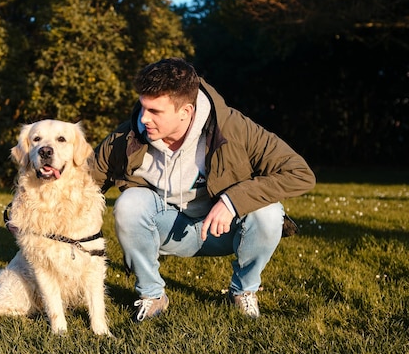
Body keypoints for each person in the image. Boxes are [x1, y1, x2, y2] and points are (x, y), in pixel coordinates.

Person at [92, 58, 316, 321]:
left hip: (224, 230)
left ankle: (243, 291)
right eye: (143, 107)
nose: (144, 118)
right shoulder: (128, 136)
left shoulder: (234, 128)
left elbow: (300, 174)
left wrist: (233, 201)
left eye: (155, 111)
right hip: (166, 229)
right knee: (129, 203)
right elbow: (83, 182)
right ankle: (152, 296)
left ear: (186, 112)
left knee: (268, 212)